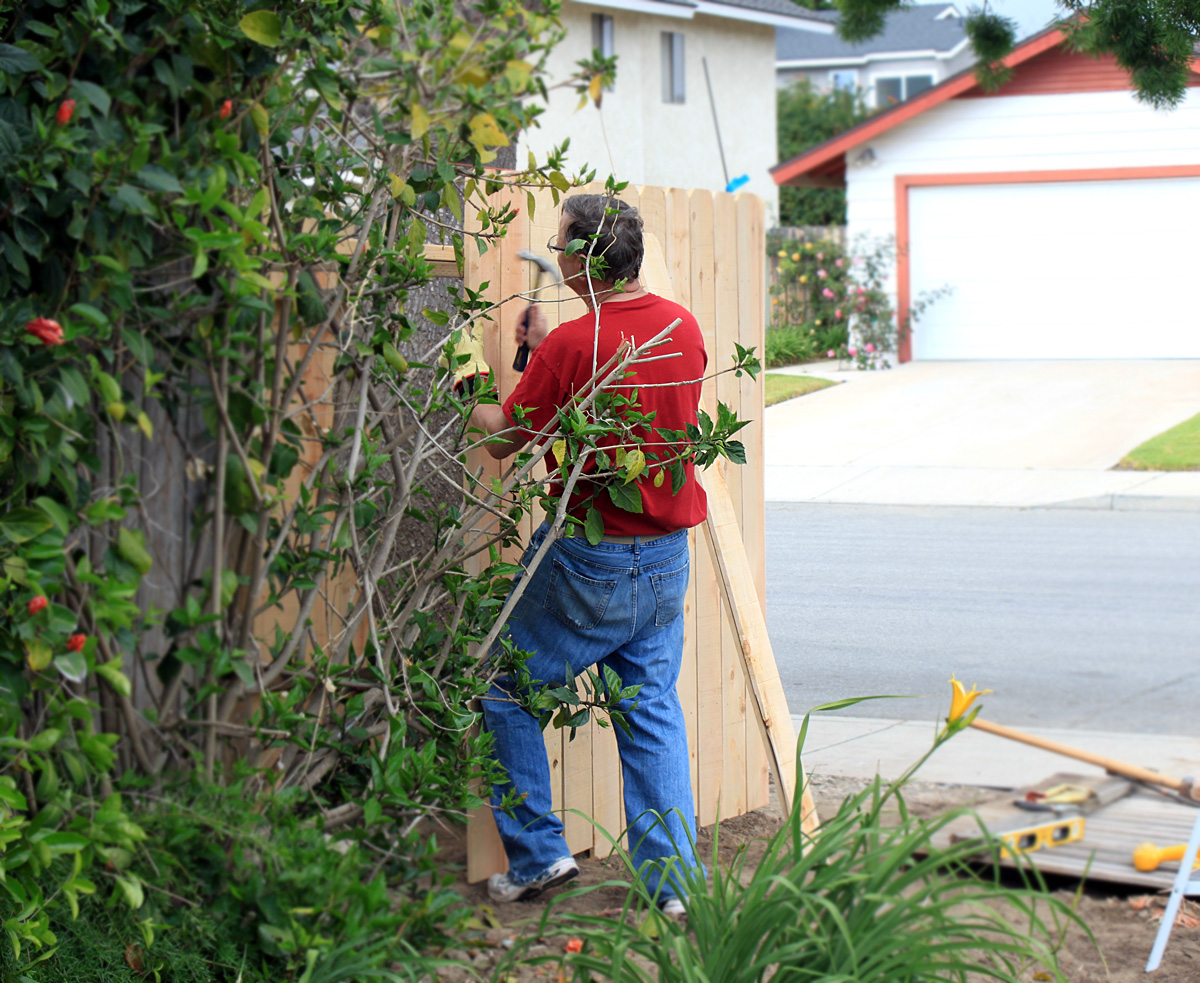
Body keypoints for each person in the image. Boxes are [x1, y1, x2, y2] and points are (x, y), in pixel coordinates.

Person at [469, 194, 708, 915]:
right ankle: (675, 891)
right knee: (651, 712)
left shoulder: (577, 345)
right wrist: (544, 352)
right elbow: (616, 391)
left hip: (593, 559)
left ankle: (539, 856)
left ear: (581, 258)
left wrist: (466, 383)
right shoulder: (681, 326)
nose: (556, 253)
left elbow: (504, 439)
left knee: (505, 686)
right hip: (666, 558)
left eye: (561, 244)